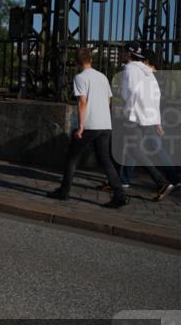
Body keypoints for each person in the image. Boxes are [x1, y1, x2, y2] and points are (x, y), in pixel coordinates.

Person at [45, 48, 129, 207]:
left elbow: (82, 102)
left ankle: (64, 191)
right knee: (106, 160)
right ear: (90, 59)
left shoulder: (80, 78)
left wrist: (81, 126)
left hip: (90, 124)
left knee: (72, 157)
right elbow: (110, 100)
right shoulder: (102, 76)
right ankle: (119, 195)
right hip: (105, 124)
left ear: (77, 62)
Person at [118, 42, 179, 200]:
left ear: (128, 53)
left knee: (134, 150)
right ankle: (119, 182)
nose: (121, 53)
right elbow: (155, 96)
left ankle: (161, 182)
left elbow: (127, 94)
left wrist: (127, 112)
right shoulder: (148, 72)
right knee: (134, 149)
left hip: (135, 117)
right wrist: (156, 119)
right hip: (148, 118)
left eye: (123, 51)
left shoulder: (129, 70)